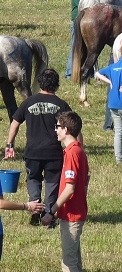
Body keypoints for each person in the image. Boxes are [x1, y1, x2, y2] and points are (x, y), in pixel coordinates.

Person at [5, 68, 75, 226]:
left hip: (33, 153)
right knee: (52, 183)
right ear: (56, 85)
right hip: (53, 153)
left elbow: (15, 122)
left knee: (33, 179)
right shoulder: (61, 104)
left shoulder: (29, 101)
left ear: (39, 83)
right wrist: (78, 148)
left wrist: (10, 144)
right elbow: (72, 126)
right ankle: (48, 215)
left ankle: (34, 208)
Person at [42, 111, 89, 272]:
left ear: (66, 130)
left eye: (58, 127)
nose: (56, 130)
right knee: (75, 261)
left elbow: (69, 188)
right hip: (75, 213)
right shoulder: (77, 150)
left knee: (68, 263)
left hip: (71, 216)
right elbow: (85, 179)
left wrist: (52, 210)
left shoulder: (71, 153)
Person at [65, 0, 93, 79]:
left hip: (87, 24)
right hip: (78, 24)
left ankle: (87, 72)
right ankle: (69, 73)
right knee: (75, 48)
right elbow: (84, 5)